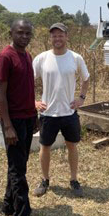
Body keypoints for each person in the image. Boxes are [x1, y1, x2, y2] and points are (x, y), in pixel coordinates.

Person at [32, 22, 90, 197]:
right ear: (50, 38)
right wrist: (33, 101)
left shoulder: (75, 58)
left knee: (72, 145)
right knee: (45, 146)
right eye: (54, 35)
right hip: (48, 113)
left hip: (69, 112)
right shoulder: (41, 58)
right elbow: (28, 81)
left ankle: (73, 180)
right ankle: (44, 180)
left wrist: (81, 97)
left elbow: (85, 78)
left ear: (66, 37)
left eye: (61, 35)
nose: (57, 38)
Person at [0, 19, 40, 216]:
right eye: (20, 32)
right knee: (18, 170)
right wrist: (8, 125)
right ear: (11, 32)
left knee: (19, 163)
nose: (24, 36)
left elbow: (27, 88)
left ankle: (8, 204)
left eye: (28, 33)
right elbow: (0, 94)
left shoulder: (26, 55)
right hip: (13, 120)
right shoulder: (5, 57)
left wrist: (34, 115)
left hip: (27, 117)